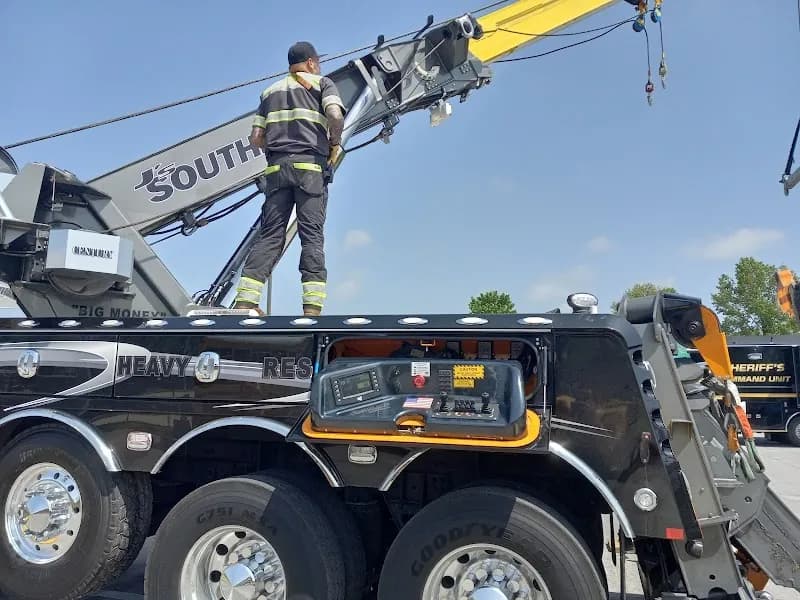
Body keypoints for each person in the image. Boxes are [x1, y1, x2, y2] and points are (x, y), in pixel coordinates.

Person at [233, 41, 346, 316]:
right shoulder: (323, 83)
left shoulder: (269, 92)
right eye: (317, 62)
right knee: (311, 237)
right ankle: (312, 311)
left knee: (271, 235)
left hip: (277, 172)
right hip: (311, 170)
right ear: (310, 63)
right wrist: (334, 141)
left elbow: (256, 139)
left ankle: (246, 302)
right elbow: (334, 114)